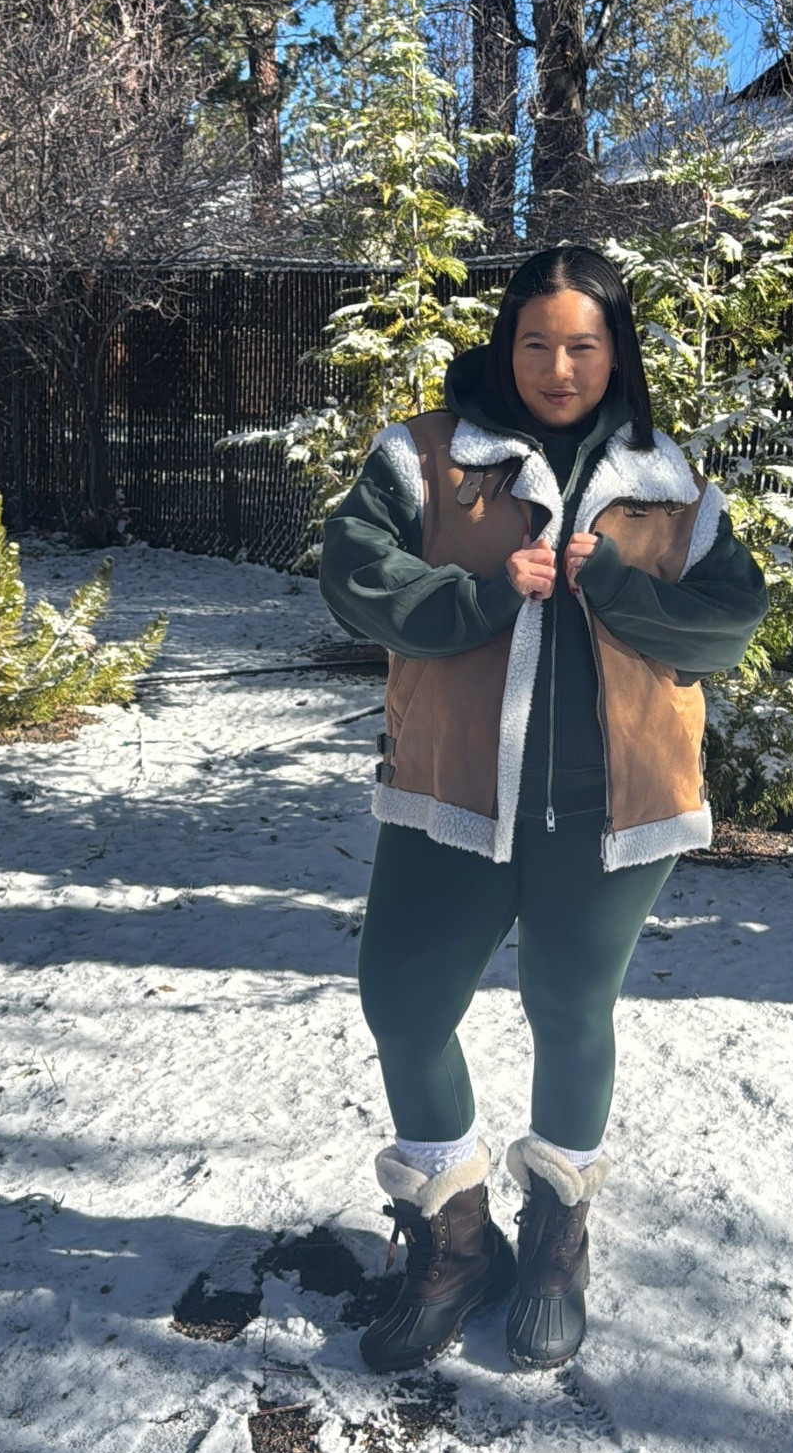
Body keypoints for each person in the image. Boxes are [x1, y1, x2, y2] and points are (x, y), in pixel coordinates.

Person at [318, 245, 768, 1374]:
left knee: (573, 1012)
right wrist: (477, 593)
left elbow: (726, 625)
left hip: (612, 814)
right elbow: (352, 573)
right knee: (406, 1008)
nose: (558, 367)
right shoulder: (428, 455)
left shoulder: (671, 483)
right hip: (451, 795)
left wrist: (612, 584)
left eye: (582, 343)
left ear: (616, 350)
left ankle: (558, 1238)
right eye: (535, 342)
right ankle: (458, 1239)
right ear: (504, 343)